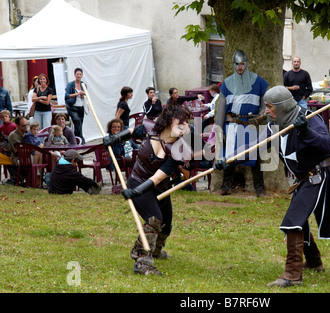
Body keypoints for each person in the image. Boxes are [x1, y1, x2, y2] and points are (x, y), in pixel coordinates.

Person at [214, 85, 330, 287]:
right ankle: (315, 262)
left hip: (319, 175)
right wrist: (228, 159)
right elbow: (254, 147)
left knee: (293, 220)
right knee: (299, 221)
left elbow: (327, 146)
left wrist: (305, 130)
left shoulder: (310, 118)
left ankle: (292, 275)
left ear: (282, 106)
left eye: (270, 107)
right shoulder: (274, 125)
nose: (267, 111)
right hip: (304, 179)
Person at [103, 103, 193, 276]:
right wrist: (115, 138)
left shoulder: (177, 150)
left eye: (186, 122)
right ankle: (142, 260)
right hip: (137, 182)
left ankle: (157, 250)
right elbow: (131, 132)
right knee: (154, 220)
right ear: (168, 120)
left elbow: (158, 176)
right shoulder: (149, 128)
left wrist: (137, 193)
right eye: (180, 121)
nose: (184, 126)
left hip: (157, 187)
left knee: (166, 226)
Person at [214, 49, 269, 197]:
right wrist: (219, 131)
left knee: (255, 156)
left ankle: (260, 189)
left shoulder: (258, 82)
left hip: (250, 124)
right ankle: (225, 187)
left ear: (247, 64)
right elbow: (221, 109)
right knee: (230, 156)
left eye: (242, 64)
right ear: (233, 65)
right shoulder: (227, 84)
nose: (240, 67)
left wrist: (260, 117)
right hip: (232, 125)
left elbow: (266, 104)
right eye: (237, 64)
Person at [65, 68, 87, 144]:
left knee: (80, 123)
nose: (79, 75)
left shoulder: (83, 84)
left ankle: (76, 140)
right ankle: (79, 140)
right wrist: (77, 94)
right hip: (72, 106)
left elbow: (85, 97)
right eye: (77, 74)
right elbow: (66, 95)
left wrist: (82, 95)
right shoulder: (70, 84)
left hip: (81, 106)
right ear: (75, 75)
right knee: (77, 122)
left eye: (80, 74)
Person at [4, 116, 28, 185]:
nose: (26, 127)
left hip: (28, 155)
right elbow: (18, 151)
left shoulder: (27, 133)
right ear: (17, 125)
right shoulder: (13, 135)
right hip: (17, 158)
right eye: (23, 126)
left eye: (26, 125)